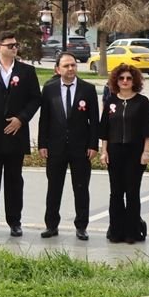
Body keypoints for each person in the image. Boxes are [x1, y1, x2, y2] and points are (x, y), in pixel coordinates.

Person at [0, 31, 42, 237]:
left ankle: (14, 221)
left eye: (16, 45)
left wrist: (21, 118)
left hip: (15, 135)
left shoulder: (27, 71)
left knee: (14, 180)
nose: (14, 48)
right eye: (10, 45)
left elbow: (35, 99)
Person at [37, 52, 99, 240]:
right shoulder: (49, 89)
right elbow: (44, 119)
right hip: (55, 148)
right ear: (58, 69)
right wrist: (42, 144)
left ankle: (81, 226)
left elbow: (94, 121)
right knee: (54, 188)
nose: (70, 69)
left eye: (73, 65)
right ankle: (51, 225)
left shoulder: (87, 89)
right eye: (66, 66)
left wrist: (93, 145)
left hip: (80, 148)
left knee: (81, 189)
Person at [99, 64, 149, 244]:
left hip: (135, 152)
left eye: (128, 78)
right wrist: (104, 152)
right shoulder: (111, 102)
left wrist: (146, 151)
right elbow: (104, 130)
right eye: (121, 78)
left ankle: (132, 232)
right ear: (116, 81)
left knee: (132, 192)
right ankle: (116, 231)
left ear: (134, 81)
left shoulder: (142, 102)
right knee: (116, 193)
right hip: (115, 151)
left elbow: (148, 130)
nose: (125, 81)